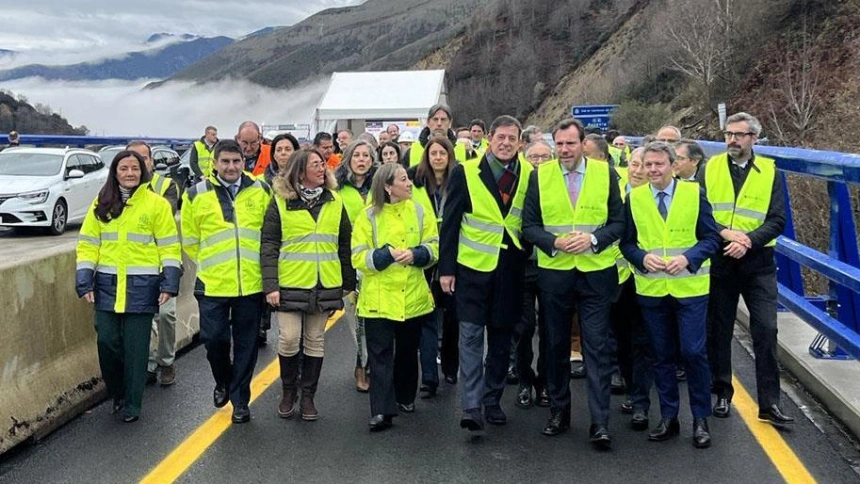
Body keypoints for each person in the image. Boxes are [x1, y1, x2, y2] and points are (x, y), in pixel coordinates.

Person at [522, 118, 624, 448]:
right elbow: (530, 226)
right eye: (559, 144)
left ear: (583, 144)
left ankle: (600, 422)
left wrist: (594, 239)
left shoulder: (605, 174)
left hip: (595, 273)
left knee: (596, 347)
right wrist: (554, 242)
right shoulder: (540, 176)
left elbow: (618, 223)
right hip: (555, 273)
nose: (565, 150)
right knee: (555, 346)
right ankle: (559, 412)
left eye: (570, 143)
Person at [620, 141, 721, 448]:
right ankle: (669, 417)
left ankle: (701, 419)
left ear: (672, 166)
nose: (652, 170)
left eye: (658, 165)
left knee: (692, 352)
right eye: (647, 165)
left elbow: (711, 238)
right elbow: (627, 243)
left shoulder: (694, 194)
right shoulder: (634, 198)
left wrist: (688, 258)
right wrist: (640, 258)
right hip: (652, 288)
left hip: (689, 288)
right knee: (661, 356)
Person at [439, 115, 534, 435]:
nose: (506, 143)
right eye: (500, 137)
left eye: (512, 138)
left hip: (510, 269)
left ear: (521, 142)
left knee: (501, 338)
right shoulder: (465, 172)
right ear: (489, 139)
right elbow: (450, 224)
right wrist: (446, 269)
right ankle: (471, 405)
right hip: (472, 269)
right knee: (470, 337)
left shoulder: (530, 175)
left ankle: (492, 399)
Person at [75, 150, 181, 422]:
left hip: (142, 287)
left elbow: (169, 247)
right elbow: (88, 243)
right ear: (115, 172)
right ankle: (117, 392)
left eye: (135, 168)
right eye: (124, 168)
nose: (130, 173)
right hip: (108, 286)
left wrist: (168, 284)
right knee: (107, 341)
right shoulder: (102, 202)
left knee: (136, 349)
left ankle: (132, 404)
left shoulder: (156, 205)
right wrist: (84, 279)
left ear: (142, 171)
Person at [703, 112, 794, 426]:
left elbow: (778, 220)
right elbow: (699, 214)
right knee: (719, 330)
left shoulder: (770, 171)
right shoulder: (709, 168)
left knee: (766, 330)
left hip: (758, 264)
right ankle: (721, 393)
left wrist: (749, 241)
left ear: (754, 138)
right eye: (728, 134)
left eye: (739, 135)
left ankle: (769, 403)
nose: (732, 140)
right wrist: (726, 235)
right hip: (721, 259)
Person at [181, 140, 273, 424]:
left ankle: (240, 400)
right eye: (226, 162)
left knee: (247, 344)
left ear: (243, 161)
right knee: (214, 340)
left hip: (251, 283)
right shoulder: (195, 195)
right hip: (213, 283)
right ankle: (223, 379)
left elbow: (269, 235)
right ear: (215, 163)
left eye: (236, 161)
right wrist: (213, 262)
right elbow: (190, 240)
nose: (231, 167)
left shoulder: (262, 191)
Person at [260, 148, 355, 421]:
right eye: (315, 164)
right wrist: (271, 286)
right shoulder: (279, 202)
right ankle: (288, 391)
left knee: (315, 341)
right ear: (300, 171)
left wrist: (346, 283)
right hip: (290, 283)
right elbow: (269, 245)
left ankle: (308, 396)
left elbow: (344, 244)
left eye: (323, 164)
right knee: (289, 339)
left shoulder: (335, 200)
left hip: (325, 282)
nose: (322, 168)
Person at [351, 163, 439, 431]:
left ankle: (405, 395)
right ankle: (381, 410)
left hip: (412, 295)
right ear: (388, 187)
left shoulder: (421, 210)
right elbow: (358, 256)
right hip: (378, 296)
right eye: (403, 179)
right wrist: (384, 254)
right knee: (379, 356)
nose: (409, 183)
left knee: (407, 351)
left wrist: (416, 254)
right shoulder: (367, 216)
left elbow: (434, 246)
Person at [126, 141, 180, 386]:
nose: (139, 162)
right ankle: (147, 365)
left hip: (164, 262)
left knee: (166, 315)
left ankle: (166, 361)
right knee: (142, 317)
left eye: (144, 158)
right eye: (133, 157)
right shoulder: (117, 189)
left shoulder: (167, 186)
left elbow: (163, 215)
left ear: (151, 161)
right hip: (136, 265)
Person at [408, 136, 457, 397]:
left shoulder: (459, 181)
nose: (437, 157)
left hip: (453, 254)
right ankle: (429, 377)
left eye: (442, 153)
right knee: (427, 316)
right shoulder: (415, 181)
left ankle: (450, 364)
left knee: (452, 316)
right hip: (424, 252)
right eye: (433, 153)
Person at [610, 147, 654, 430]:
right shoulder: (614, 193)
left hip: (647, 277)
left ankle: (640, 401)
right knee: (621, 341)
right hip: (616, 277)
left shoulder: (658, 197)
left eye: (644, 165)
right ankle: (629, 385)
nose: (638, 170)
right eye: (634, 164)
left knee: (643, 341)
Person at [513, 139, 555, 409]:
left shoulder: (559, 186)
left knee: (551, 330)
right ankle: (524, 379)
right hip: (524, 264)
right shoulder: (519, 185)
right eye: (534, 157)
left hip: (553, 265)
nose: (539, 161)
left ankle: (545, 382)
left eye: (544, 156)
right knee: (525, 328)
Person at [335, 140, 377, 392]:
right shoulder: (337, 189)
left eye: (366, 156)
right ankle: (361, 364)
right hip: (349, 260)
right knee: (356, 318)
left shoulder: (382, 186)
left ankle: (371, 363)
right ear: (348, 159)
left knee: (375, 317)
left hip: (377, 260)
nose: (361, 160)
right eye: (357, 155)